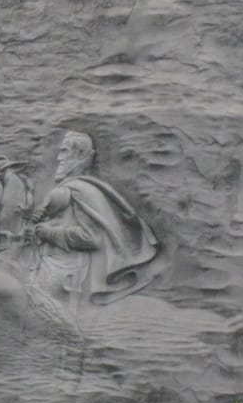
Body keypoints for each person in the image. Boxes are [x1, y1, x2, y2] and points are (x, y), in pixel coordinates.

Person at [25, 130, 158, 306]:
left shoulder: (81, 191)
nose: (59, 158)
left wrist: (48, 233)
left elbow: (91, 238)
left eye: (64, 151)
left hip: (69, 273)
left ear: (79, 155)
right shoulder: (71, 189)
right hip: (50, 262)